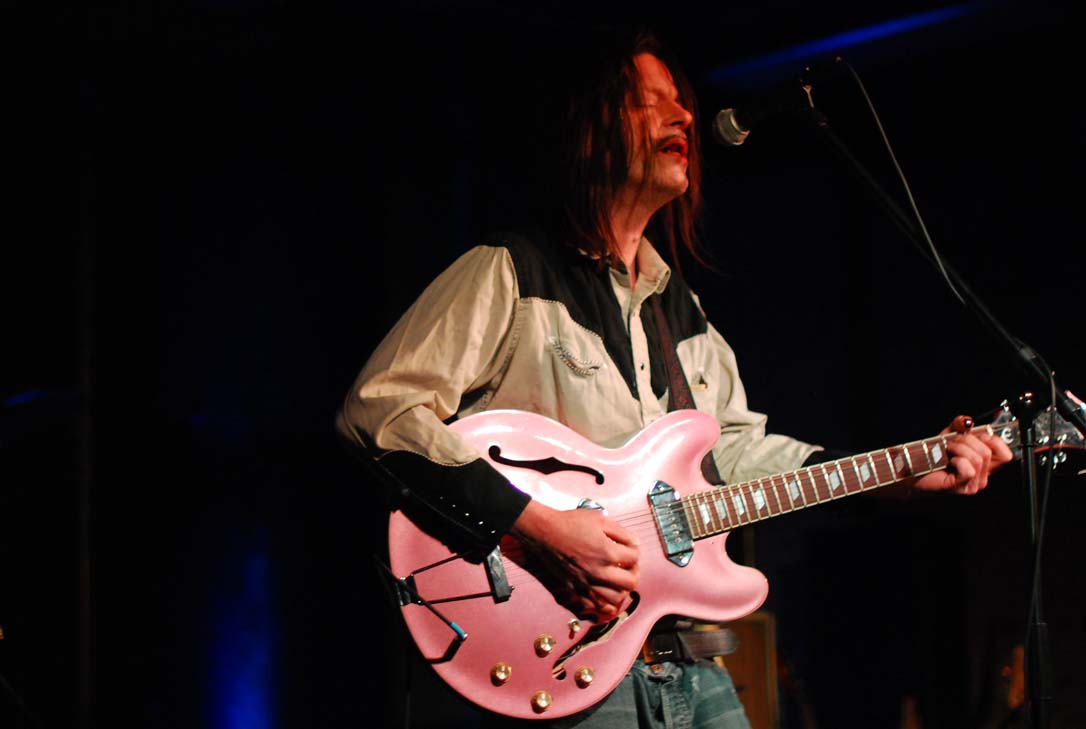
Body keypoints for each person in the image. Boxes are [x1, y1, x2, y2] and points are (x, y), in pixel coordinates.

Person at [336, 28, 1013, 729]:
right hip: (566, 658)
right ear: (588, 125)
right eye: (647, 101)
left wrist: (904, 468)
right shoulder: (509, 272)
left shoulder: (680, 311)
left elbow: (735, 458)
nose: (684, 116)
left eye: (682, 103)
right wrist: (540, 527)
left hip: (686, 660)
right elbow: (379, 409)